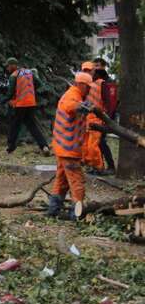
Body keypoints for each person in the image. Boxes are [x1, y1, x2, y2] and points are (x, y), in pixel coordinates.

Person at [48, 72, 94, 219]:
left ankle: (53, 210)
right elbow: (70, 106)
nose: (89, 90)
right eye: (88, 87)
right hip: (68, 149)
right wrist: (81, 107)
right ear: (81, 85)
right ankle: (76, 214)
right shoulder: (72, 96)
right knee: (77, 181)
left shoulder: (76, 95)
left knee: (61, 181)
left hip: (63, 147)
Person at [0, 57, 50, 155]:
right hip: (31, 103)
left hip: (20, 104)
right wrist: (30, 91)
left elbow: (10, 93)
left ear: (13, 65)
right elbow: (39, 83)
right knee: (32, 125)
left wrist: (3, 100)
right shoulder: (29, 72)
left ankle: (10, 148)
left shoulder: (13, 76)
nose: (7, 68)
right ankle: (44, 146)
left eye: (8, 66)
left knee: (15, 125)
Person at [80, 61, 105, 172]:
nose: (87, 72)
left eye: (89, 70)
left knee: (93, 146)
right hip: (86, 118)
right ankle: (90, 164)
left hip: (97, 118)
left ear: (94, 71)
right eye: (85, 70)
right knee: (86, 144)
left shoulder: (101, 83)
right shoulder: (81, 84)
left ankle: (98, 167)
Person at [92, 58, 117, 173]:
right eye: (94, 66)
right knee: (98, 142)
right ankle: (100, 166)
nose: (95, 68)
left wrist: (108, 118)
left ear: (103, 66)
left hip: (105, 117)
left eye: (97, 65)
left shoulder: (108, 82)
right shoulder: (96, 80)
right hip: (97, 116)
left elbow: (112, 102)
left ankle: (111, 166)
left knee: (101, 141)